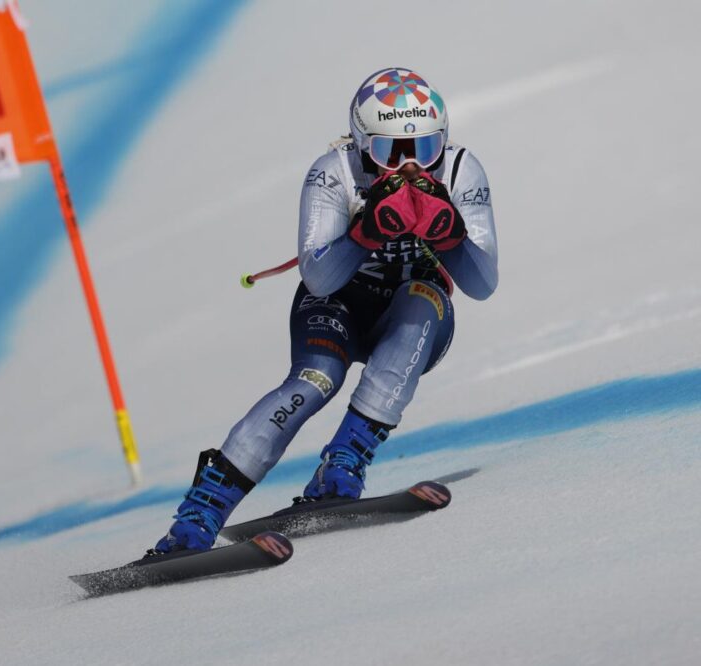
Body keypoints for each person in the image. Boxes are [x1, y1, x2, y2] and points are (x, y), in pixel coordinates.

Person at [149, 67, 498, 555]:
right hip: (338, 300)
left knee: (421, 299)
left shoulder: (462, 169)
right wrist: (366, 233)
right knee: (314, 381)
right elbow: (319, 278)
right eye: (389, 152)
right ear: (360, 143)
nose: (408, 167)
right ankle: (198, 513)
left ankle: (343, 464)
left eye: (424, 149)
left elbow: (482, 283)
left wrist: (451, 235)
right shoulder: (332, 171)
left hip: (414, 317)